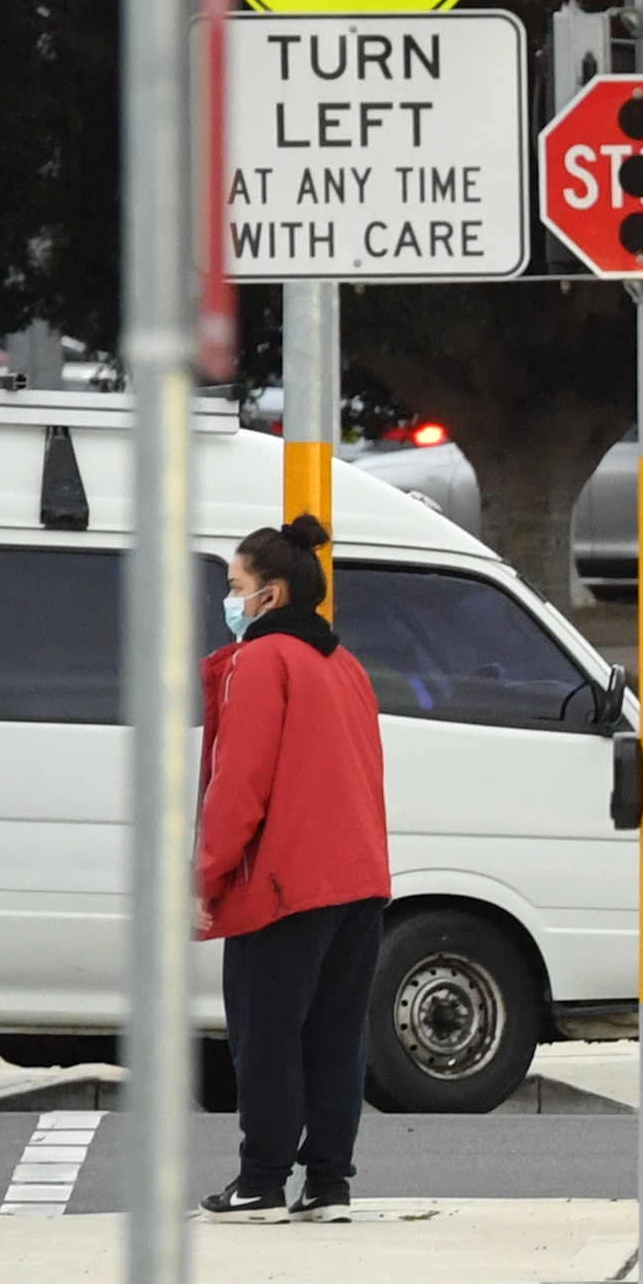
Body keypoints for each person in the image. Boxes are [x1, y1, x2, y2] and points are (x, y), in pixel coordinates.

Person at [197, 518, 392, 1217]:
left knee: (266, 1034)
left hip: (283, 884)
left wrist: (207, 876)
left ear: (269, 595)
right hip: (359, 879)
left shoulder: (261, 662)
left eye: (235, 586)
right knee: (336, 1035)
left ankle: (261, 1178)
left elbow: (239, 782)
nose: (229, 599)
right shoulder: (345, 666)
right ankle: (329, 1182)